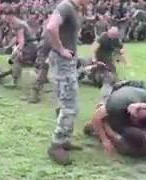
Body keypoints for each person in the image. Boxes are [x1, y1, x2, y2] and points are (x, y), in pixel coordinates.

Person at [45, 0, 90, 165]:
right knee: (70, 106)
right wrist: (61, 49)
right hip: (62, 62)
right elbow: (51, 27)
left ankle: (64, 140)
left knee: (69, 103)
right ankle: (56, 145)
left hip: (66, 62)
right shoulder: (66, 6)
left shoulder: (73, 8)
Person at [85, 80, 146, 156]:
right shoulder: (116, 105)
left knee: (110, 127)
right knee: (103, 104)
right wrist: (104, 140)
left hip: (139, 92)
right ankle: (107, 84)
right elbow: (97, 117)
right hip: (120, 89)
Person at [3, 6, 38, 89]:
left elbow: (21, 40)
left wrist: (19, 51)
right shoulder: (14, 23)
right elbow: (16, 37)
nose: (4, 17)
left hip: (30, 45)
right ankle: (42, 76)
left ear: (11, 15)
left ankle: (14, 81)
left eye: (6, 15)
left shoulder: (18, 24)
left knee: (16, 59)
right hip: (30, 44)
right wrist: (9, 46)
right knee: (13, 59)